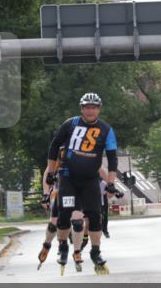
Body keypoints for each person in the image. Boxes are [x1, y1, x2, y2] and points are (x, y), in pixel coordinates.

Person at [44, 92, 119, 275]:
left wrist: (110, 183)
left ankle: (96, 252)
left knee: (95, 215)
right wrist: (51, 171)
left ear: (99, 109)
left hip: (90, 180)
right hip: (68, 178)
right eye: (87, 107)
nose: (90, 111)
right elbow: (54, 146)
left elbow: (112, 158)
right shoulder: (70, 124)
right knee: (64, 214)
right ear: (82, 109)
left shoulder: (106, 130)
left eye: (93, 107)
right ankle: (63, 246)